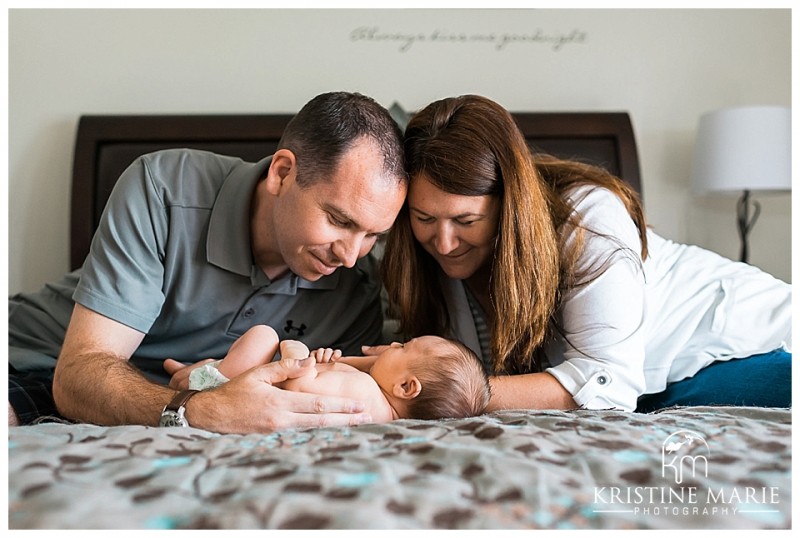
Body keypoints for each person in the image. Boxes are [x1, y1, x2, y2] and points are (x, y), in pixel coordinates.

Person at [8, 91, 408, 432]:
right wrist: (202, 408)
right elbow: (80, 373)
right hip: (34, 359)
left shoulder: (357, 293)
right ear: (282, 173)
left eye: (374, 235)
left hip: (134, 405)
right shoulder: (163, 189)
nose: (351, 254)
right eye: (339, 220)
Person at [379, 94, 792, 413]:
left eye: (467, 222)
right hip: (648, 387)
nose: (445, 243)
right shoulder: (419, 263)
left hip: (742, 340)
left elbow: (605, 385)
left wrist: (455, 397)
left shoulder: (587, 218)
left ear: (512, 209)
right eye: (425, 218)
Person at [173, 324, 490, 422]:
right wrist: (331, 362)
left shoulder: (365, 391)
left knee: (264, 336)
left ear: (407, 386)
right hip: (254, 391)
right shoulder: (377, 404)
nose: (392, 343)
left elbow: (299, 386)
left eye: (405, 346)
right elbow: (334, 374)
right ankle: (201, 370)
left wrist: (295, 349)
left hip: (233, 394)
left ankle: (201, 378)